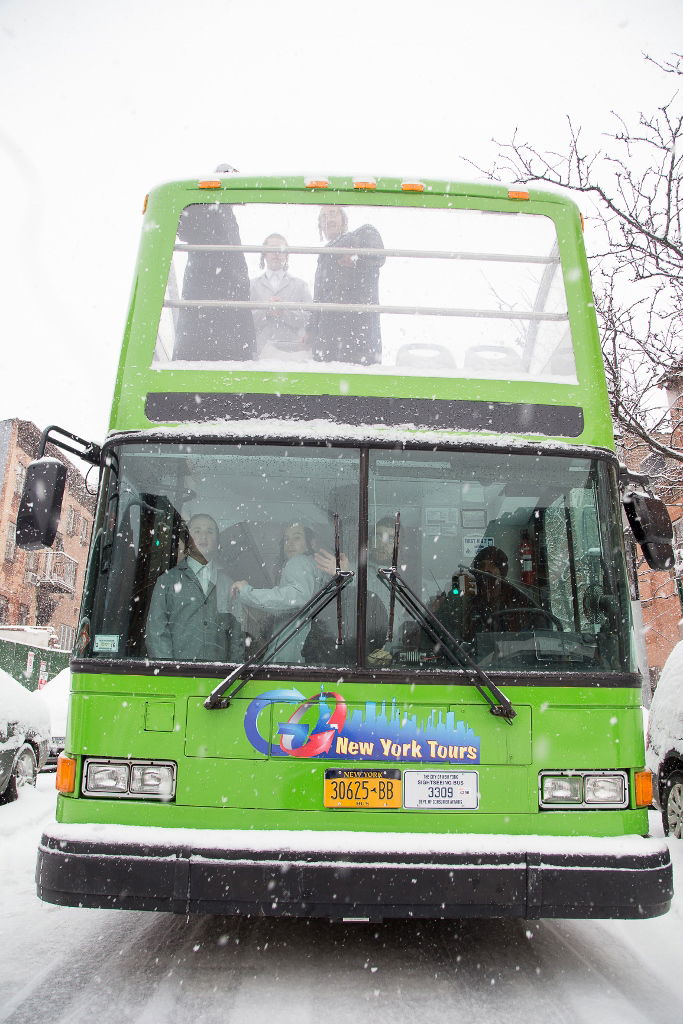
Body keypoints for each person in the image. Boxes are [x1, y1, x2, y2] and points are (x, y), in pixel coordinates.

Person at [145, 514, 237, 661]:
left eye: (210, 531)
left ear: (217, 541)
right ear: (187, 538)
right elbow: (156, 633)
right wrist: (169, 671)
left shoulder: (228, 584)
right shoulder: (167, 581)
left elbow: (236, 637)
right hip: (178, 676)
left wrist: (232, 673)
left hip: (221, 678)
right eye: (197, 531)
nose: (203, 536)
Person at [231, 522, 325, 664]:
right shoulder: (315, 567)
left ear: (310, 543)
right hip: (302, 649)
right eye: (286, 539)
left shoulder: (298, 562)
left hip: (289, 651)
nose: (290, 543)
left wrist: (247, 592)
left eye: (297, 538)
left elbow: (297, 596)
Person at [173, 203, 256, 361]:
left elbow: (184, 230)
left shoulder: (218, 209)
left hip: (217, 300)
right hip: (214, 296)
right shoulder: (210, 208)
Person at [306, 206, 385, 365]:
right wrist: (310, 329)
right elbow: (319, 298)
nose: (328, 219)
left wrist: (357, 259)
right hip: (328, 339)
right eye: (323, 217)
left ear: (344, 220)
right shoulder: (323, 255)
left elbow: (378, 255)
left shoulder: (361, 235)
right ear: (320, 227)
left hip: (358, 335)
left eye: (332, 213)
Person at [250, 234, 312, 356]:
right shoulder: (251, 286)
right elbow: (244, 320)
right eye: (272, 248)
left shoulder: (301, 285)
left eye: (281, 249)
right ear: (264, 254)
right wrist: (266, 312)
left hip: (293, 354)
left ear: (286, 255)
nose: (276, 253)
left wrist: (284, 312)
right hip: (259, 353)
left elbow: (309, 318)